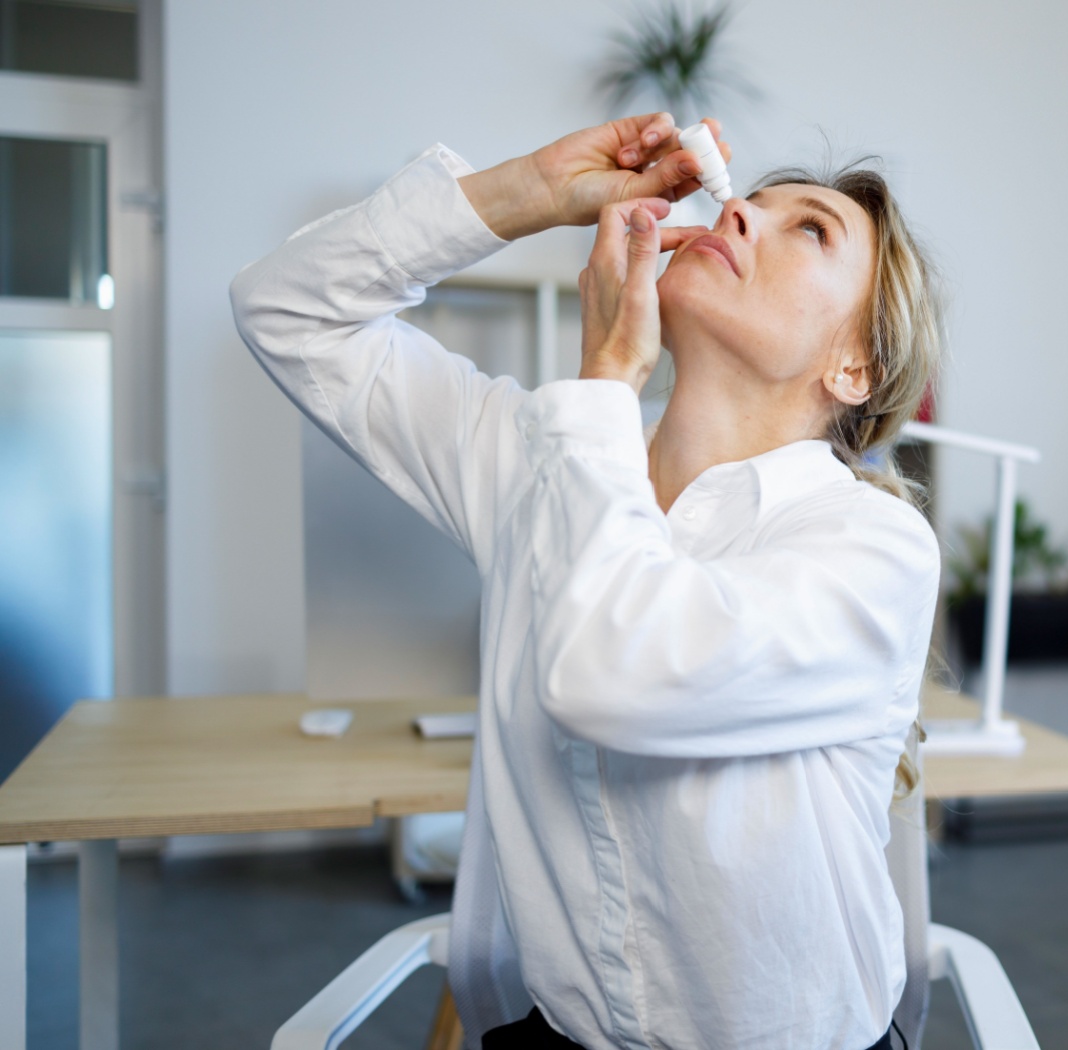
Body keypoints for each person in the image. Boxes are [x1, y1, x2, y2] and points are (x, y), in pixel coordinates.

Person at [231, 112, 943, 1050]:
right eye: (753, 202)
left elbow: (616, 673)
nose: (742, 218)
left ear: (857, 367)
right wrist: (525, 192)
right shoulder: (537, 462)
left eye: (809, 229)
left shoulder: (874, 546)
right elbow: (284, 309)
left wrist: (609, 375)